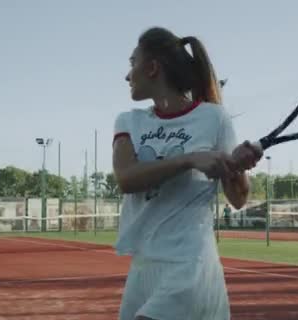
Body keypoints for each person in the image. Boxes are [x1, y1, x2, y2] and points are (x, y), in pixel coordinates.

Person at [112, 27, 262, 320]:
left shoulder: (214, 117)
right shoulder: (128, 121)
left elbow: (239, 199)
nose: (127, 75)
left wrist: (237, 168)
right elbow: (126, 178)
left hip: (190, 262)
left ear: (153, 68)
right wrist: (190, 159)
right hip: (143, 265)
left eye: (133, 63)